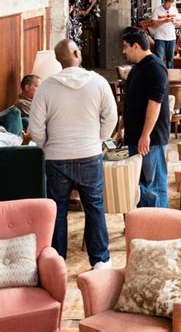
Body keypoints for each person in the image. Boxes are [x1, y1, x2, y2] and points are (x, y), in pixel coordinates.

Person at [29, 39, 117, 268]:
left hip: (56, 157)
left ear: (58, 60)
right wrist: (98, 139)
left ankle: (57, 261)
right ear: (78, 53)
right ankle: (99, 260)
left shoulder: (46, 87)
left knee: (58, 210)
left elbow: (35, 128)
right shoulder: (98, 82)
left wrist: (47, 145)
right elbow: (111, 118)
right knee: (94, 207)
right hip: (89, 154)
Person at [121, 27, 170, 208]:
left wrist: (145, 135)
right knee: (139, 183)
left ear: (136, 46)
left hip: (151, 139)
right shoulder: (137, 68)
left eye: (126, 46)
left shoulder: (155, 68)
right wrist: (122, 128)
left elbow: (154, 104)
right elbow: (130, 102)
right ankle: (144, 224)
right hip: (135, 136)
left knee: (153, 185)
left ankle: (159, 225)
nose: (123, 51)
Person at [148, 0, 181, 69]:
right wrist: (164, 21)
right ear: (164, 1)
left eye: (171, 4)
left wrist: (175, 22)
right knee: (159, 59)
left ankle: (170, 76)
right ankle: (160, 75)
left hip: (171, 37)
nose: (169, 6)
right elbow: (153, 25)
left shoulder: (174, 9)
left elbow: (180, 23)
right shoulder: (157, 10)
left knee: (170, 59)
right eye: (168, 3)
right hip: (160, 37)